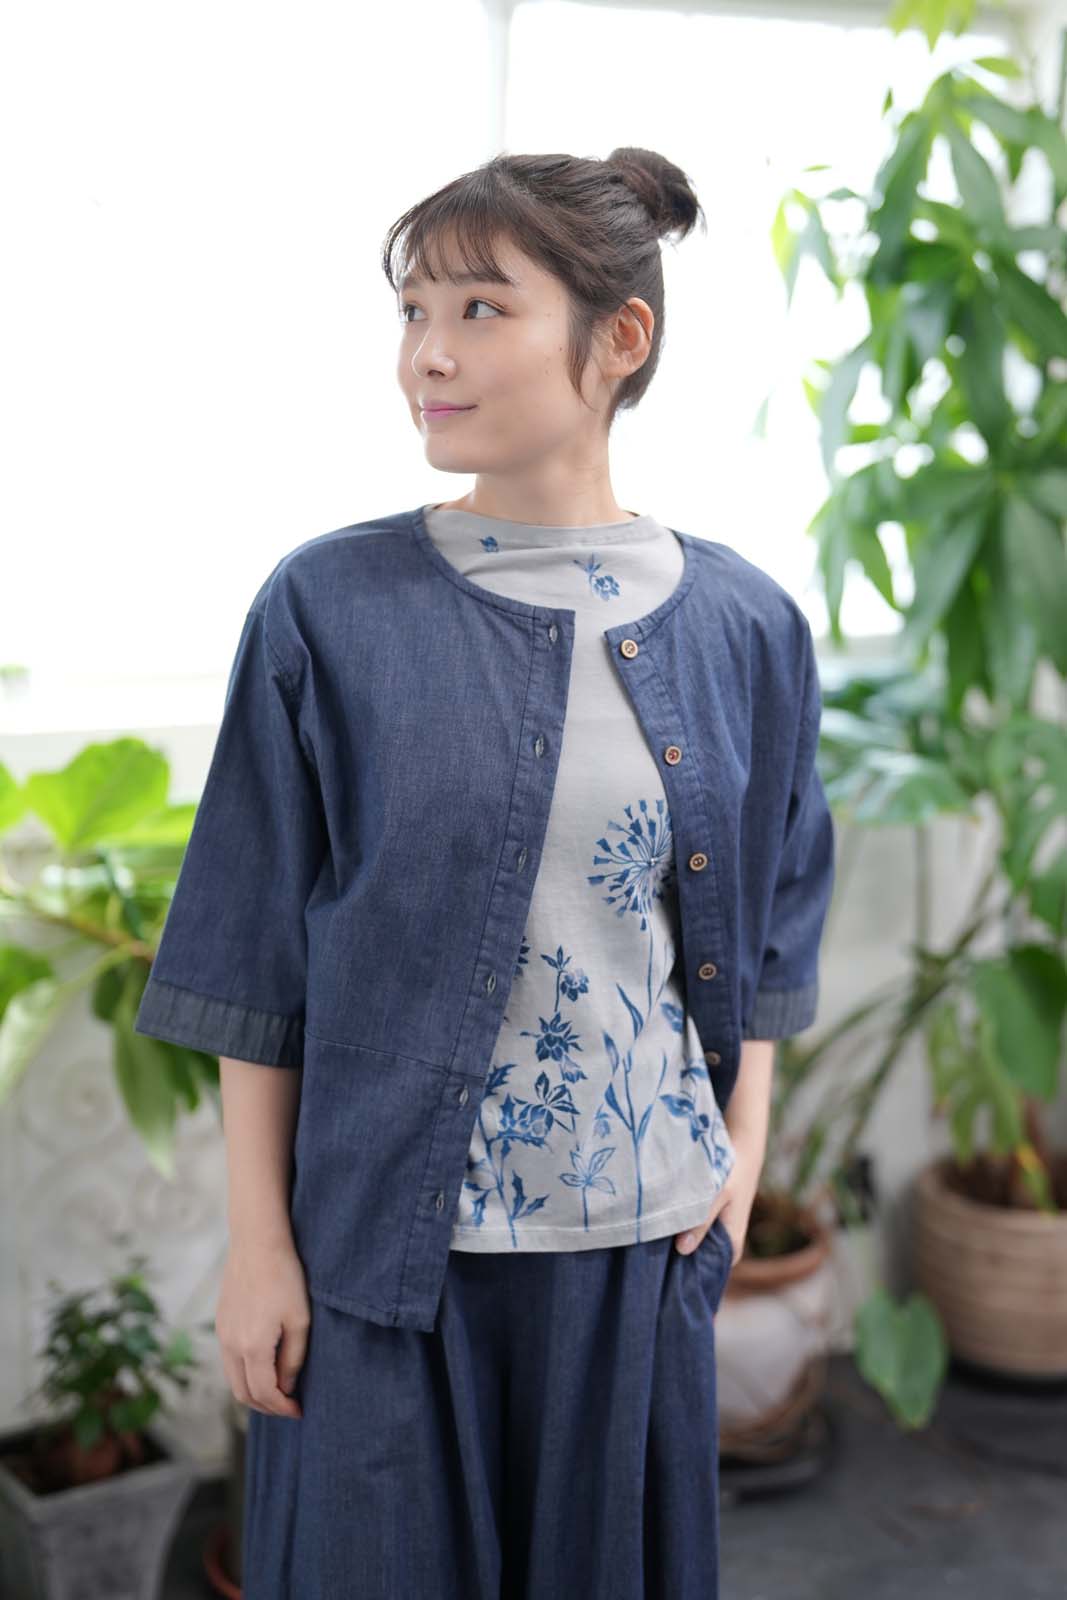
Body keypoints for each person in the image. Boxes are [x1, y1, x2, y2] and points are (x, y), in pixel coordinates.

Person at [134, 146, 836, 1599]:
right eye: (412, 311)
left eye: (478, 310)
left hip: (638, 1254)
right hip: (385, 1263)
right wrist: (259, 1249)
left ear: (618, 339)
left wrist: (744, 1154)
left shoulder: (748, 627)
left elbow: (772, 917)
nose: (426, 357)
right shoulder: (327, 609)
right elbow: (257, 955)